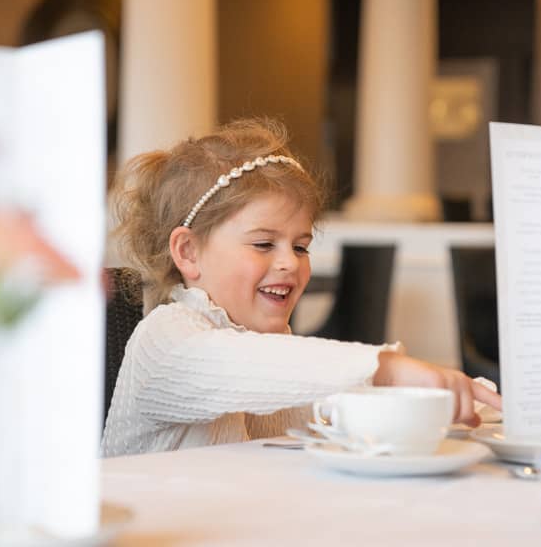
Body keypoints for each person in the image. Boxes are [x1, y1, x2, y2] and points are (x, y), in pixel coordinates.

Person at [101, 119, 501, 457]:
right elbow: (243, 366)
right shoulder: (166, 338)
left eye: (300, 246)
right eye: (263, 244)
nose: (289, 263)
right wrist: (389, 370)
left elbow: (335, 404)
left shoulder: (275, 346)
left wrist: (445, 397)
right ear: (188, 252)